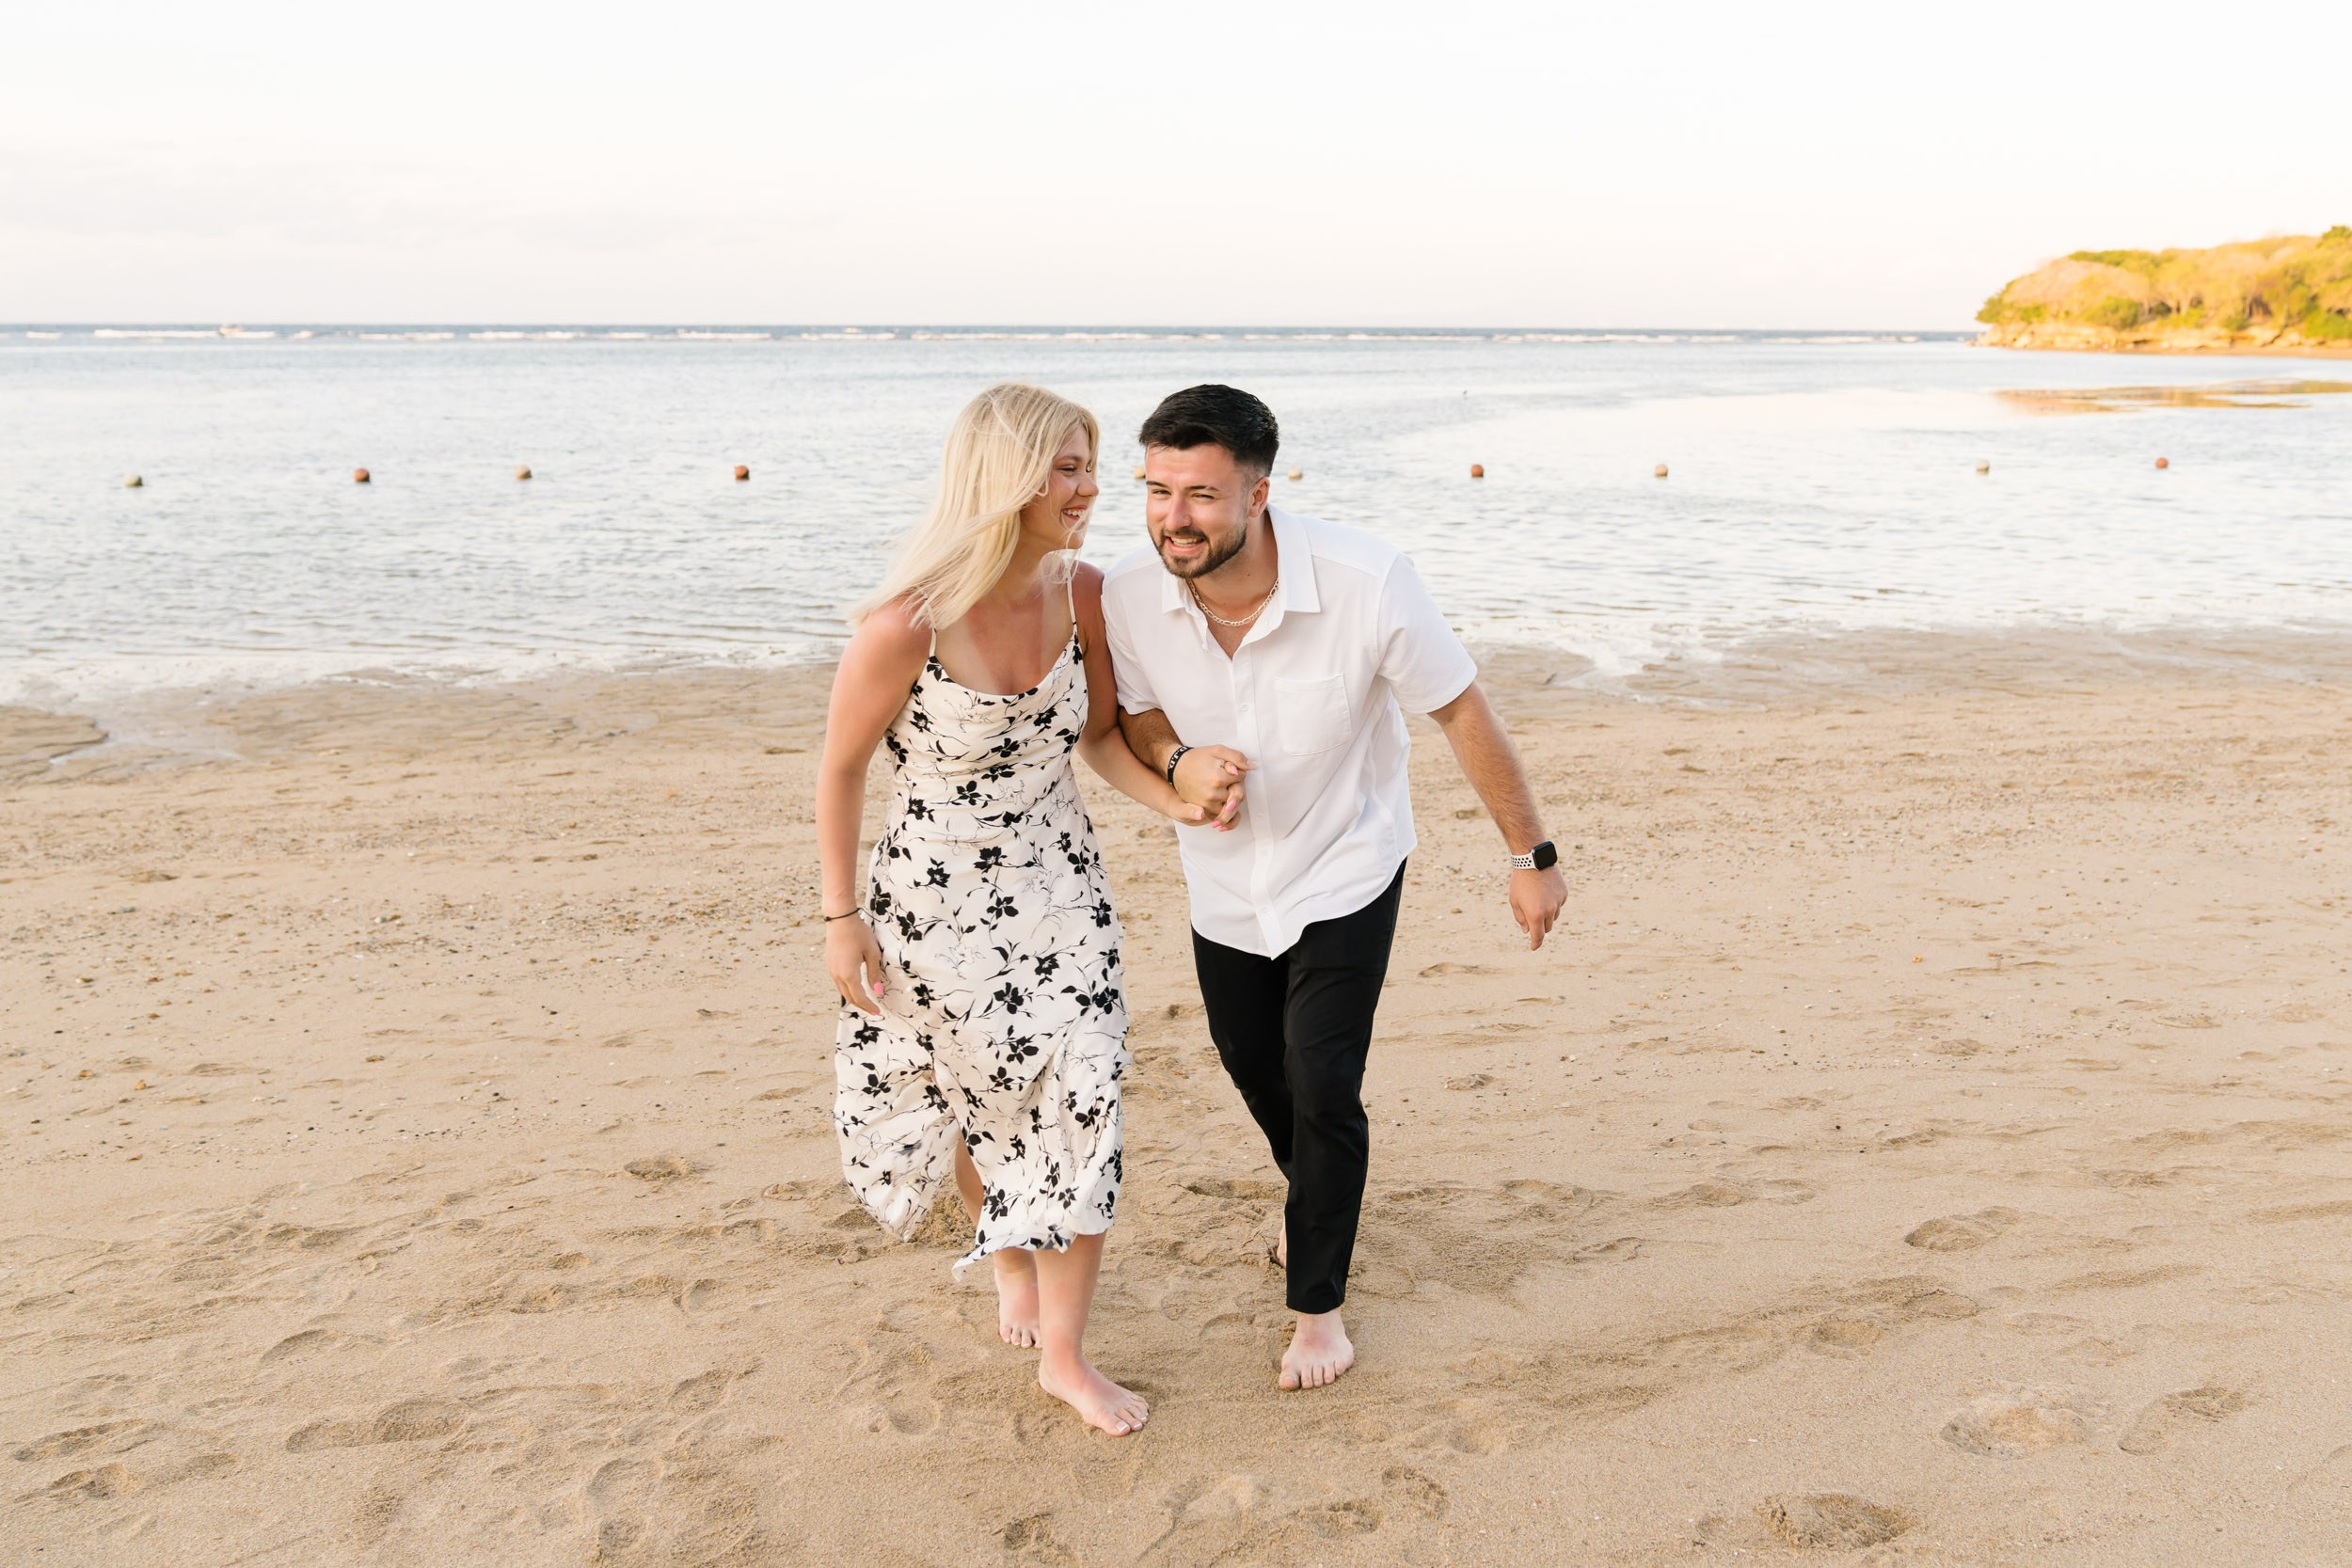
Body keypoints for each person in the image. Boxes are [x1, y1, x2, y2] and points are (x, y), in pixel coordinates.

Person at [1103, 384, 1568, 1391]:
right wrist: (1177, 760)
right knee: (1250, 1062)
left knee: (1321, 1079)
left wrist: (1529, 855)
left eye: (1200, 495)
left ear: (1259, 493)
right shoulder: (1127, 594)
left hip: (1347, 864)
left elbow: (1461, 711)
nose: (1171, 517)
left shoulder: (1366, 578)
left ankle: (1318, 1307)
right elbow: (1133, 717)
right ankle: (1312, 1188)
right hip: (1223, 881)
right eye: (1154, 490)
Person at [816, 383, 1211, 1437]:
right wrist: (839, 915)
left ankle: (1067, 1358)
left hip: (1060, 891)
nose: (1089, 489)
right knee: (976, 1101)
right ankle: (1009, 1262)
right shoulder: (909, 623)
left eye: (1090, 466)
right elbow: (842, 769)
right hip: (931, 905)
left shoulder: (1082, 593)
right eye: (1068, 468)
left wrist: (1175, 800)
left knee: (1080, 1103)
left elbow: (1092, 739)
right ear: (1006, 478)